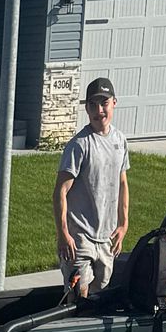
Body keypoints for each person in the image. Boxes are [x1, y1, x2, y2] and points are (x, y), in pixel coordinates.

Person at [54, 77, 129, 300]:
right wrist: (63, 234)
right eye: (93, 105)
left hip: (107, 238)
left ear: (114, 102)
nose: (99, 111)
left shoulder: (120, 141)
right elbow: (60, 191)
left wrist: (123, 225)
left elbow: (122, 183)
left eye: (104, 103)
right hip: (79, 239)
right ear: (86, 108)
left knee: (101, 294)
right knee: (79, 297)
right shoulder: (79, 145)